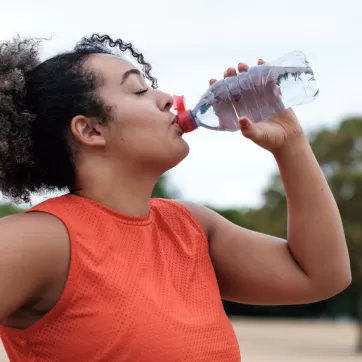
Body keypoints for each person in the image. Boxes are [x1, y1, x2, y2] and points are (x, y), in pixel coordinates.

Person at [0, 34, 351, 362]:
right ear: (90, 130)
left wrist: (290, 144)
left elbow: (320, 275)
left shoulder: (190, 228)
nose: (167, 98)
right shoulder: (43, 240)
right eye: (138, 91)